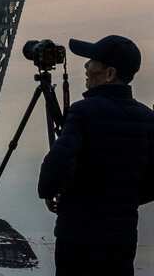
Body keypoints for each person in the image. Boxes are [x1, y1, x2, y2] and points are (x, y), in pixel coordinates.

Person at [38, 35, 154, 276]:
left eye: (92, 62)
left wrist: (51, 192)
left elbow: (56, 166)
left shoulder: (83, 112)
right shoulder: (147, 118)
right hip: (121, 238)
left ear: (109, 74)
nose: (86, 66)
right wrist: (124, 199)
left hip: (77, 237)